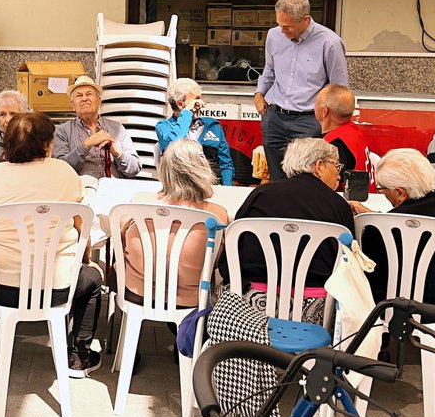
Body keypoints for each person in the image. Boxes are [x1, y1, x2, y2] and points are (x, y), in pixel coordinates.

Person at [0, 113, 104, 376]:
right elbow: (81, 227)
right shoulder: (65, 173)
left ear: (6, 144)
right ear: (46, 144)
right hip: (54, 288)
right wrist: (85, 258)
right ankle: (78, 356)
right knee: (93, 279)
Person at [227, 137, 355, 323]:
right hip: (316, 309)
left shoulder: (260, 195)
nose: (339, 174)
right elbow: (348, 264)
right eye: (336, 166)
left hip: (252, 306)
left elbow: (234, 249)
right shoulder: (338, 205)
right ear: (319, 165)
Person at [358, 148, 435, 309]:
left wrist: (375, 219)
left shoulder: (381, 229)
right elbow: (413, 215)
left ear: (400, 193)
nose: (382, 192)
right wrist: (377, 215)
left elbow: (371, 272)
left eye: (381, 188)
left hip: (391, 309)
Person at [121, 139, 229, 310]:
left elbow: (122, 245)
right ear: (202, 170)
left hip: (137, 293)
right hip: (191, 302)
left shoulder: (139, 203)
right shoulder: (217, 214)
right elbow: (215, 262)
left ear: (165, 169)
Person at [254, 0, 349, 182]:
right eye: (279, 24)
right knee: (277, 178)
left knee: (306, 179)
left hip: (310, 121)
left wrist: (328, 123)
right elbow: (270, 69)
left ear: (305, 20)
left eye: (287, 26)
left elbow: (339, 89)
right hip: (274, 117)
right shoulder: (274, 35)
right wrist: (259, 93)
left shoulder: (330, 43)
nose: (282, 31)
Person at [52, 75, 141, 179]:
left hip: (113, 189)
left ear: (99, 101)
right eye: (79, 96)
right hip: (81, 190)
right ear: (72, 105)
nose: (84, 99)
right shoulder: (62, 131)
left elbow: (135, 169)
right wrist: (86, 145)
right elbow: (60, 169)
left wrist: (115, 151)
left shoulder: (118, 129)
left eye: (89, 94)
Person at [156, 78, 234, 186]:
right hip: (180, 190)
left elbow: (225, 164)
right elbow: (174, 143)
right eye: (196, 100)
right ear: (180, 104)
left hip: (212, 188)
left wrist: (227, 188)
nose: (201, 104)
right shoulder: (164, 127)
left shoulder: (213, 126)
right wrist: (187, 112)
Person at [315, 83, 372, 190]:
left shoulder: (333, 145)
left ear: (324, 111)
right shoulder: (354, 131)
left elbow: (329, 185)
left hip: (347, 202)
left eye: (316, 102)